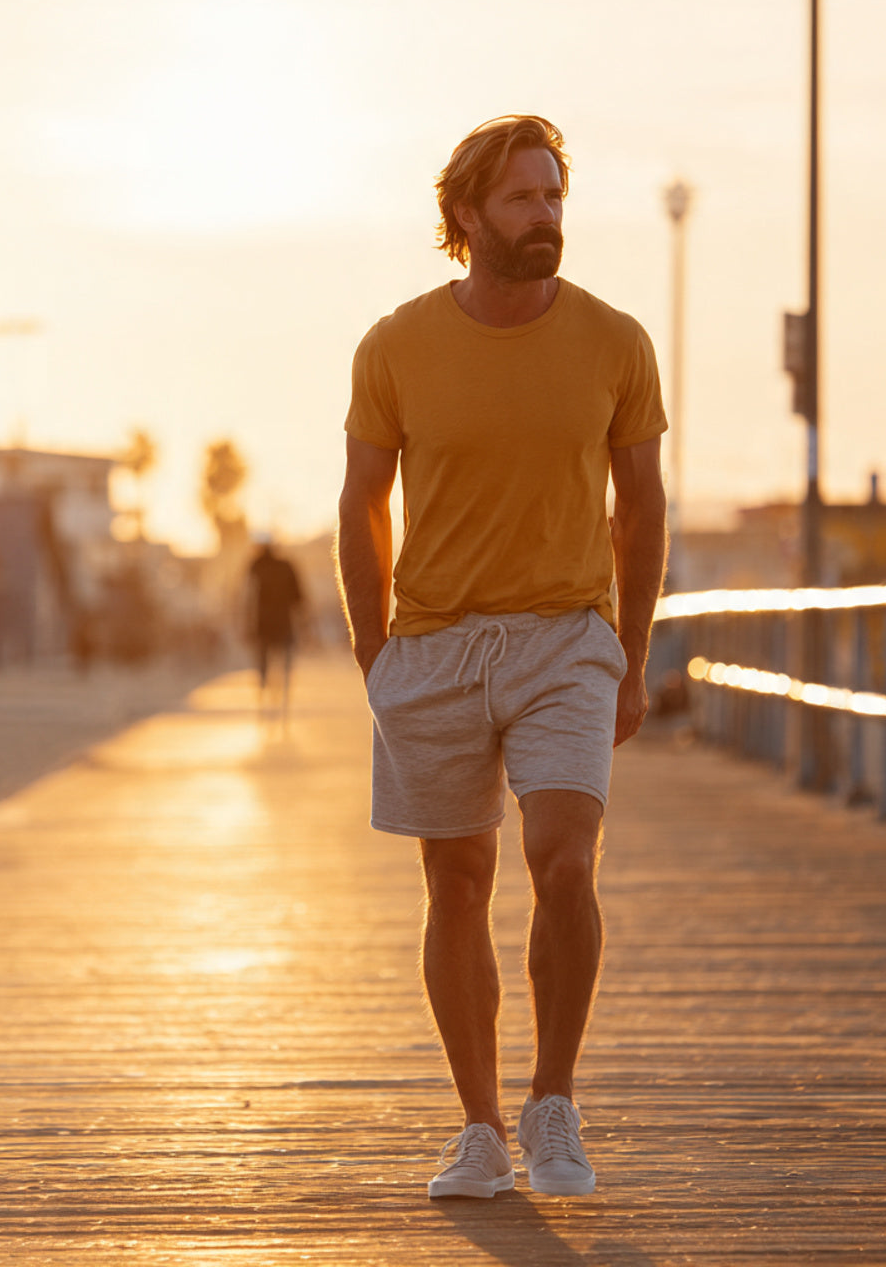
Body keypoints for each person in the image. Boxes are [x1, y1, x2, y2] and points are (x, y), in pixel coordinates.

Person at [335, 115, 667, 1199]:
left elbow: (641, 506)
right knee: (457, 881)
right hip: (430, 645)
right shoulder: (394, 344)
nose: (545, 218)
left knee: (565, 858)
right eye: (522, 199)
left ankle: (552, 1099)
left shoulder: (614, 342)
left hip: (566, 636)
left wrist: (630, 652)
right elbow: (360, 504)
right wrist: (371, 648)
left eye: (554, 198)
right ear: (466, 215)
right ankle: (477, 1126)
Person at [245, 539, 305, 718]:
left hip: (262, 623)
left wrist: (246, 622)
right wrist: (305, 624)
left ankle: (264, 699)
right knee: (285, 663)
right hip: (284, 622)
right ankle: (282, 700)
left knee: (263, 663)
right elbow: (298, 598)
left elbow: (248, 596)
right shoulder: (287, 566)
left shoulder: (255, 566)